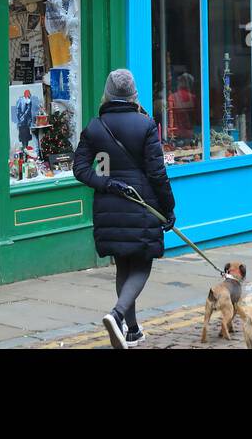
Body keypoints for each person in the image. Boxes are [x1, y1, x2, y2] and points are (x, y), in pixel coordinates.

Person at [72, 68, 175, 349]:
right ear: (133, 94)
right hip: (141, 204)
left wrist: (105, 184)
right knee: (141, 265)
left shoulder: (95, 126)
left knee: (123, 265)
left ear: (108, 93)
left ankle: (131, 331)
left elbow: (79, 168)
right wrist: (169, 207)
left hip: (109, 206)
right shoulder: (145, 125)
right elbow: (157, 174)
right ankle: (117, 315)